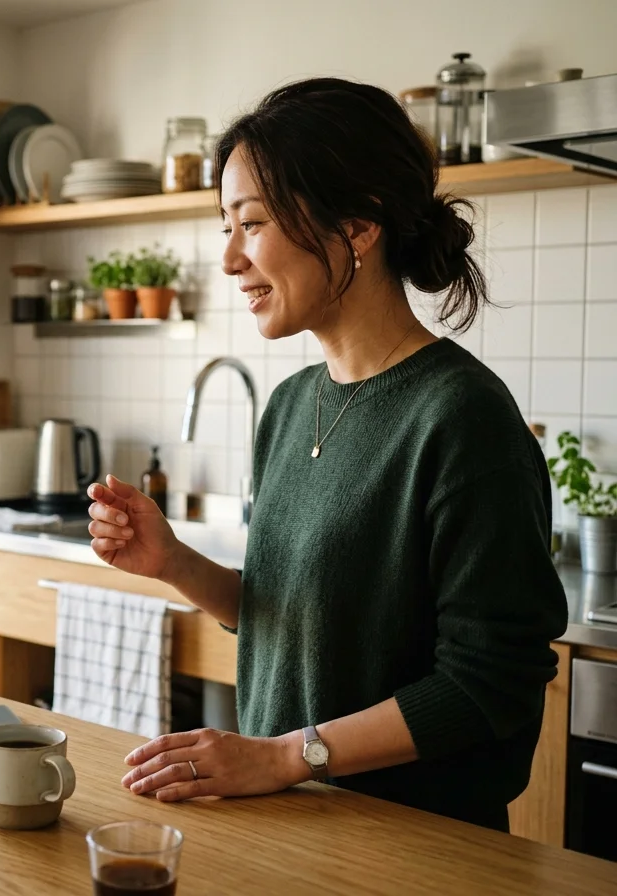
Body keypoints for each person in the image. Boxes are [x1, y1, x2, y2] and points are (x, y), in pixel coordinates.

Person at [86, 77, 567, 832]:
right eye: (226, 227)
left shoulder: (463, 418)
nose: (230, 259)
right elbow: (297, 617)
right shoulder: (289, 405)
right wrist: (174, 561)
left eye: (252, 223)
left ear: (358, 226)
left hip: (416, 849)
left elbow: (491, 681)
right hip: (293, 828)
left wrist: (284, 757)